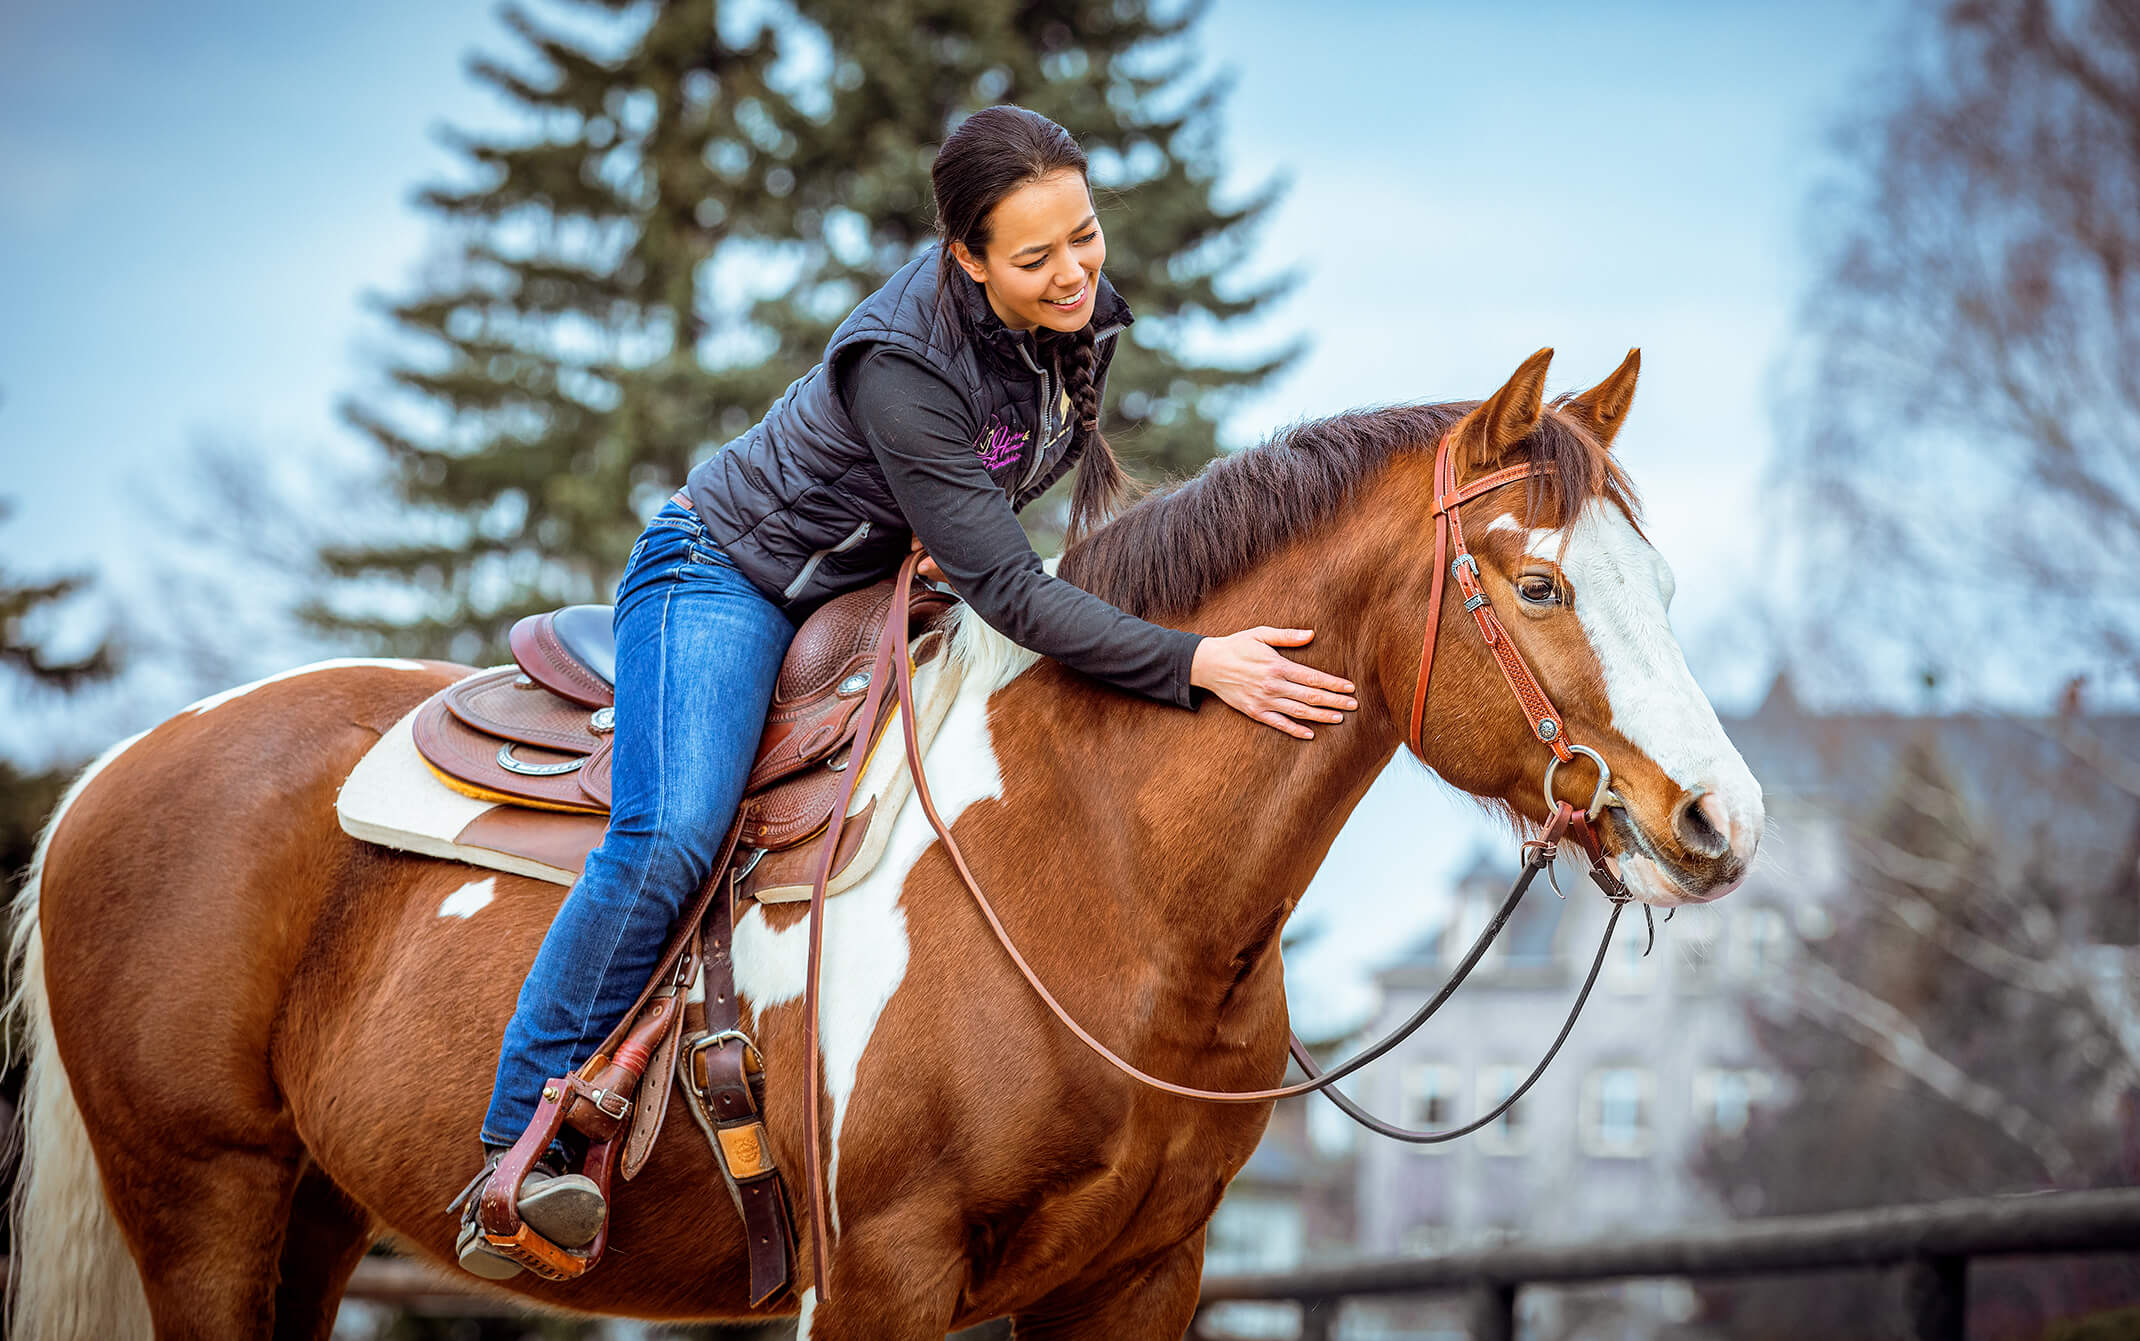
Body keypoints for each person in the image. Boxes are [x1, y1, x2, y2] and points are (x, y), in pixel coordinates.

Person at [455, 104, 1360, 1279]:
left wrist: (942, 533)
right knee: (672, 831)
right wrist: (1198, 660)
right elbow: (1016, 595)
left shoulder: (1071, 312)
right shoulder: (901, 362)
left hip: (863, 586)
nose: (1074, 271)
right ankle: (516, 1153)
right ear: (965, 260)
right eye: (1034, 259)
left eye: (1083, 236)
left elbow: (992, 513)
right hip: (727, 579)